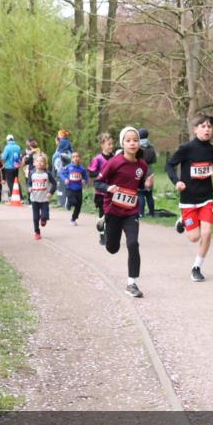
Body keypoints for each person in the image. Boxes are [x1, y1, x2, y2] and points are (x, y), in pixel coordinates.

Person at [166, 114, 213, 281]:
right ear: (195, 129)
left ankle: (196, 267)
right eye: (203, 126)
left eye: (209, 127)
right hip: (188, 200)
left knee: (207, 233)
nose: (206, 129)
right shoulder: (186, 148)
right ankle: (183, 221)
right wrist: (177, 182)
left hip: (206, 198)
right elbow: (170, 165)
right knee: (194, 237)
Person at [95, 126, 151, 297]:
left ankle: (131, 283)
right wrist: (109, 188)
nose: (132, 143)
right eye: (128, 140)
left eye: (135, 140)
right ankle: (105, 223)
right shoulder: (114, 162)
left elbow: (139, 185)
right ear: (123, 143)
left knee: (133, 244)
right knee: (112, 248)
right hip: (112, 210)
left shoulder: (142, 164)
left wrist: (146, 185)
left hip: (131, 212)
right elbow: (98, 183)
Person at [28, 154, 56, 240]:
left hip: (44, 199)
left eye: (42, 161)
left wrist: (51, 193)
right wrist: (29, 188)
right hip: (34, 199)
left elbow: (54, 184)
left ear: (45, 164)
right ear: (34, 163)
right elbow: (29, 183)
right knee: (35, 217)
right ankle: (37, 232)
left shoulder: (47, 174)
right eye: (37, 161)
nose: (39, 163)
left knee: (44, 216)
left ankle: (43, 219)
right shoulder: (32, 173)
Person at [60, 151, 88, 225]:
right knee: (74, 202)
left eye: (77, 156)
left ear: (80, 158)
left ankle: (73, 219)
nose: (76, 158)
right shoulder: (68, 167)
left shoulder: (82, 169)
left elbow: (85, 177)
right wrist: (65, 179)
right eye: (74, 157)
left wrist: (84, 181)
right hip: (70, 188)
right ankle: (68, 202)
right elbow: (62, 173)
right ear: (71, 159)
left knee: (78, 205)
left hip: (79, 189)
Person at [137, 128, 158, 217]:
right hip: (149, 170)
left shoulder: (138, 147)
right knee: (149, 193)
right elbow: (154, 160)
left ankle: (141, 213)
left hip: (140, 170)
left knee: (141, 193)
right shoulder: (151, 147)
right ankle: (152, 212)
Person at [52, 130, 73, 209]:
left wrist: (57, 142)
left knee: (54, 157)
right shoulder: (67, 141)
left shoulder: (63, 141)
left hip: (62, 156)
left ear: (61, 135)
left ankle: (54, 172)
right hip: (66, 157)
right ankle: (62, 201)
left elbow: (60, 149)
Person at [0, 134, 23, 202]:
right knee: (16, 181)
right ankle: (20, 197)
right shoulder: (18, 147)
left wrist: (1, 155)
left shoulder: (7, 147)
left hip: (9, 167)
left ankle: (12, 197)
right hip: (16, 167)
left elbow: (3, 157)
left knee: (10, 183)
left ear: (7, 140)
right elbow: (19, 157)